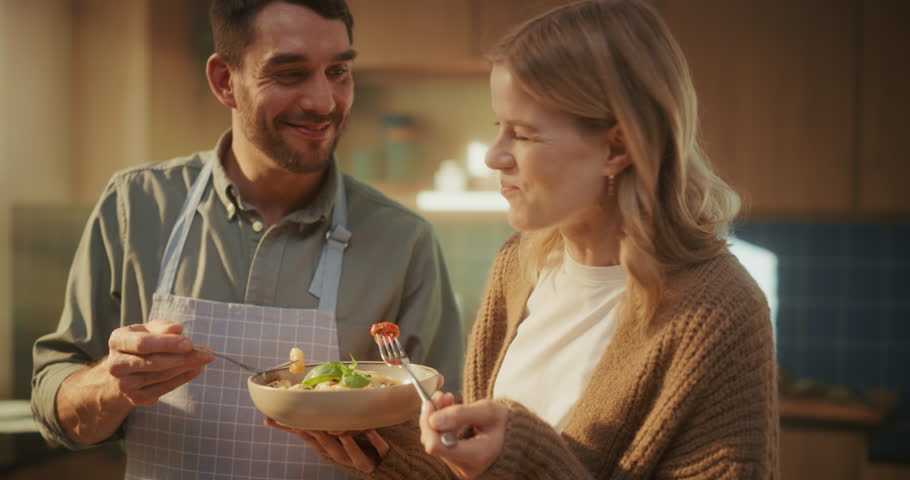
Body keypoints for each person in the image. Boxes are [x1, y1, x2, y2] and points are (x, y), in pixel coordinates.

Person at [281, 0, 779, 478]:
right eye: (500, 126)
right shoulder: (519, 267)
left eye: (523, 133)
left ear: (616, 146)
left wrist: (523, 458)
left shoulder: (720, 315)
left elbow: (516, 465)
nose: (494, 156)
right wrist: (386, 455)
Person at [29, 1, 463, 479]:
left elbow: (447, 442)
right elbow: (56, 408)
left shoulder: (403, 240)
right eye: (290, 73)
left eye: (338, 71)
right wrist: (111, 384)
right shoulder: (138, 205)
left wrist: (393, 454)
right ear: (224, 81)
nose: (323, 101)